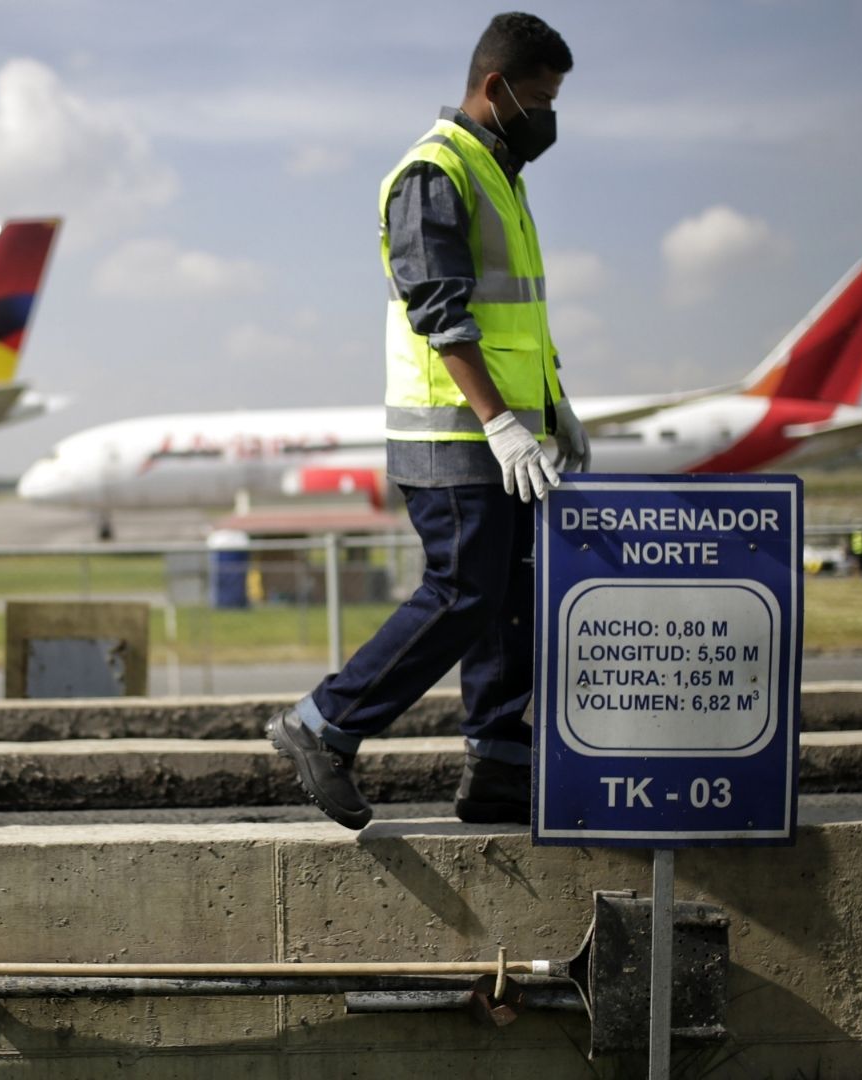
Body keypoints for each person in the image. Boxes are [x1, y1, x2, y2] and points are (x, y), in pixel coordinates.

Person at [265, 12, 586, 830]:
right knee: (462, 592)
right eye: (542, 99)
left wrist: (554, 407)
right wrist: (502, 423)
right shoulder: (433, 171)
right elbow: (441, 314)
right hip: (453, 433)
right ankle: (323, 724)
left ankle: (499, 763)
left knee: (510, 593)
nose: (547, 116)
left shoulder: (500, 175)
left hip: (503, 435)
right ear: (496, 87)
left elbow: (520, 320)